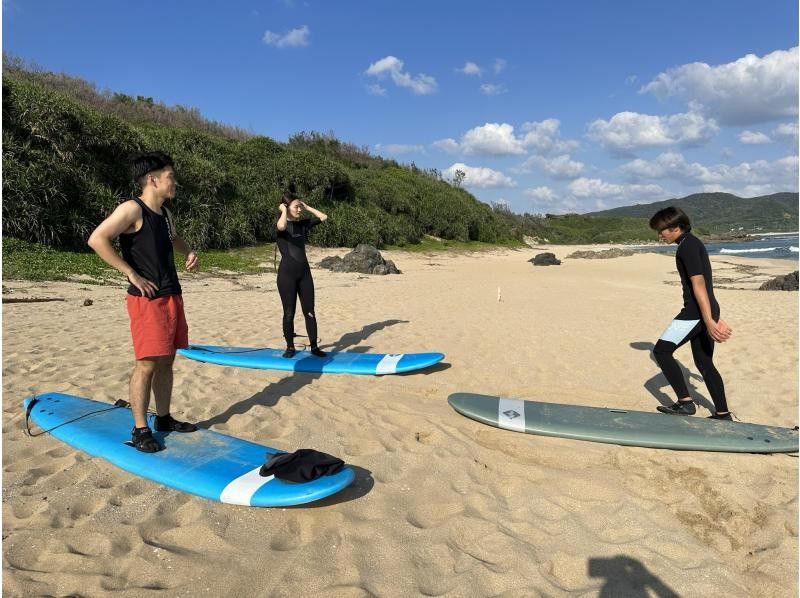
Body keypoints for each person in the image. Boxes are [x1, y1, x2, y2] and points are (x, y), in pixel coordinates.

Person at [88, 152, 199, 452]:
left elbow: (173, 238)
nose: (174, 182)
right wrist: (131, 274)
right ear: (153, 179)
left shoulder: (164, 213)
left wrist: (187, 251)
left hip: (171, 294)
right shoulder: (131, 209)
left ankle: (163, 418)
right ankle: (140, 429)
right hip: (147, 300)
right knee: (147, 364)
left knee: (167, 360)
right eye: (170, 176)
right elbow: (97, 239)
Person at [648, 206, 733, 420]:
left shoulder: (686, 247)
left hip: (695, 312)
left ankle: (685, 403)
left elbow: (699, 283)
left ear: (676, 227)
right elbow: (705, 285)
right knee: (704, 363)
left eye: (662, 231)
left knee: (661, 351)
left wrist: (708, 320)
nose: (660, 235)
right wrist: (713, 314)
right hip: (705, 309)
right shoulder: (692, 243)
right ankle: (723, 413)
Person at [275, 189, 328, 358]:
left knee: (309, 311)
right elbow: (282, 226)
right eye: (296, 207)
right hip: (286, 276)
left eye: (300, 207)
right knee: (289, 312)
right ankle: (290, 347)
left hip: (305, 274)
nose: (299, 210)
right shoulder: (280, 225)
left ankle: (314, 347)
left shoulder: (302, 224)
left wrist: (307, 206)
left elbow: (323, 217)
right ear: (286, 207)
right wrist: (283, 211)